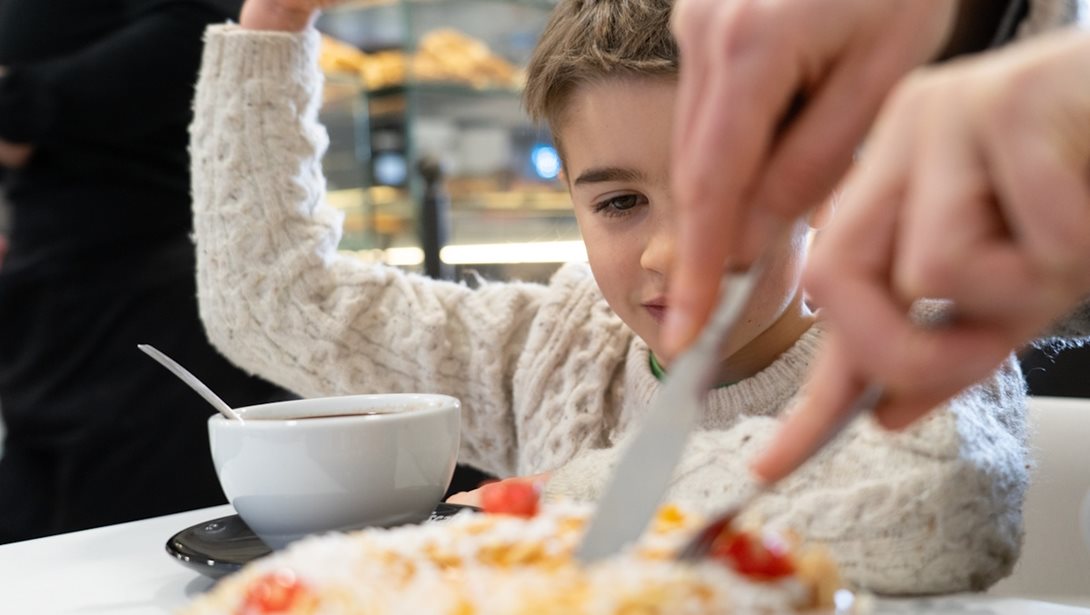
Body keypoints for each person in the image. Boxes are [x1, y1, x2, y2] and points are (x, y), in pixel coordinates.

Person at [195, 0, 1028, 593]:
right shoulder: (559, 346)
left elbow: (940, 496)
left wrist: (556, 497)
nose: (673, 254)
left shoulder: (920, 339)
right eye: (621, 202)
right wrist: (276, 19)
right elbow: (277, 302)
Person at [658, 0, 1082, 481]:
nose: (667, 253)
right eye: (621, 203)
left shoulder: (932, 398)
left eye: (737, 195)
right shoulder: (591, 341)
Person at [0, 0, 288, 543]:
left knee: (138, 541)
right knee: (35, 541)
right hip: (49, 295)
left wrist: (20, 103)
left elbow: (198, 37)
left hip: (154, 293)